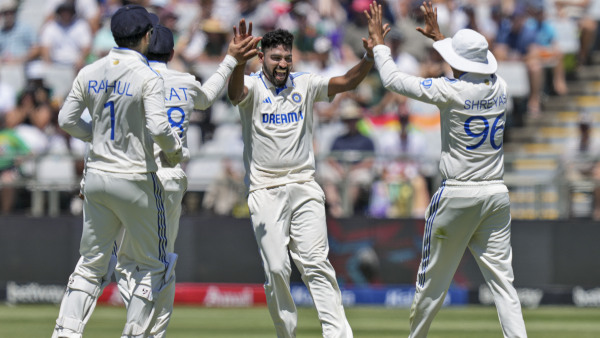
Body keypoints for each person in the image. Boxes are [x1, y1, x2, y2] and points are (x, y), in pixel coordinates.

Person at [366, 2, 527, 337]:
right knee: (504, 285)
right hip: (496, 194)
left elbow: (393, 80)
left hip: (457, 194)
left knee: (431, 284)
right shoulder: (500, 88)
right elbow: (468, 68)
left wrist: (380, 46)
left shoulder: (449, 91)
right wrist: (441, 38)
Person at [227, 23, 388, 337]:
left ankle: (338, 334)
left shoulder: (305, 84)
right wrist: (236, 62)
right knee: (277, 269)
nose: (283, 64)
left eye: (287, 57)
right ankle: (286, 333)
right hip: (265, 189)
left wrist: (369, 58)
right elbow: (235, 95)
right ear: (261, 58)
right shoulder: (252, 86)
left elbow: (347, 81)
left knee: (316, 264)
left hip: (304, 185)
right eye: (276, 58)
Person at [114, 23, 259, 337]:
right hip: (168, 178)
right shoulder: (184, 80)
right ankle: (146, 330)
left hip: (131, 176)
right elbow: (207, 98)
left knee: (128, 261)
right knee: (160, 259)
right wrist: (231, 59)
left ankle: (139, 327)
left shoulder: (128, 80)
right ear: (171, 52)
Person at [51, 5, 184, 337]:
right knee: (156, 264)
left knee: (91, 264)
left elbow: (66, 120)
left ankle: (65, 333)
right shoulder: (146, 76)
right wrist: (174, 151)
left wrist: (94, 137)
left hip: (96, 176)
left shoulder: (89, 70)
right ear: (147, 36)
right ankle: (135, 333)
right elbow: (158, 127)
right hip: (136, 178)